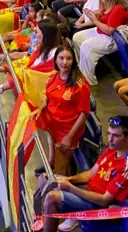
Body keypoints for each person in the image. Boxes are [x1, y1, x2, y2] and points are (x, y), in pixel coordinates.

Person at [40, 115, 128, 232]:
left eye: (115, 136)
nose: (110, 139)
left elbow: (105, 200)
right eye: (109, 133)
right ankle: (42, 223)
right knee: (45, 179)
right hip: (88, 192)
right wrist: (68, 180)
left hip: (101, 208)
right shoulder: (112, 149)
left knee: (52, 198)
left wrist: (70, 188)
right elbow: (91, 173)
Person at [32, 46, 91, 175]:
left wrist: (69, 137)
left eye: (69, 59)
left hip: (67, 129)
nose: (64, 62)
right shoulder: (54, 76)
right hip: (53, 122)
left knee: (62, 168)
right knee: (51, 142)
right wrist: (40, 109)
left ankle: (61, 182)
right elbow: (48, 97)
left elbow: (84, 113)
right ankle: (51, 162)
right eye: (61, 58)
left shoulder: (80, 85)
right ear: (56, 60)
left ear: (74, 61)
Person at [72, 0, 128, 85]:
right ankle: (81, 67)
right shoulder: (106, 4)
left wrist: (94, 20)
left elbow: (109, 30)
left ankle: (89, 80)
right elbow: (102, 16)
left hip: (113, 38)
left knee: (87, 46)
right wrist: (92, 14)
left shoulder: (117, 9)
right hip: (102, 31)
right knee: (77, 37)